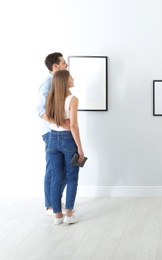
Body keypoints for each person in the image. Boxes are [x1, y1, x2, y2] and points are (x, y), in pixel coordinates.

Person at [45, 70, 85, 225]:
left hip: (52, 139)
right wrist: (80, 148)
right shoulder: (73, 99)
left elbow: (49, 118)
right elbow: (73, 126)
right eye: (70, 77)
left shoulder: (51, 99)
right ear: (64, 81)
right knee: (72, 177)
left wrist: (61, 123)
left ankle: (57, 216)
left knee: (56, 177)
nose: (73, 79)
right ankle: (69, 214)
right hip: (68, 141)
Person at [36, 52, 69, 215]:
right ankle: (50, 205)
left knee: (62, 169)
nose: (67, 64)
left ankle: (55, 201)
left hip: (60, 132)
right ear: (55, 66)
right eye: (64, 62)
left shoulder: (59, 82)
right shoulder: (47, 83)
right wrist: (58, 124)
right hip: (50, 133)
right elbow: (40, 110)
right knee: (53, 169)